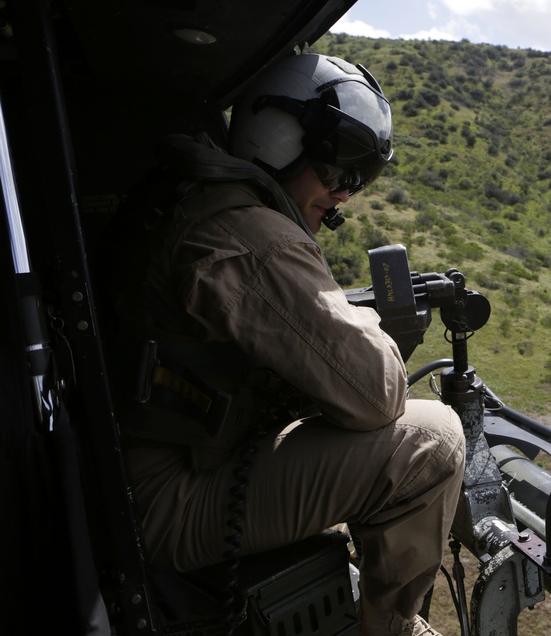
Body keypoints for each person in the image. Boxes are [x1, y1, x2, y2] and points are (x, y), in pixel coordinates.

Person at [107, 53, 464, 636]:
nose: (345, 192)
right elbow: (377, 393)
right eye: (337, 167)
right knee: (432, 443)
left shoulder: (201, 201)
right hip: (166, 504)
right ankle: (392, 628)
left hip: (146, 478)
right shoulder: (252, 235)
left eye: (359, 177)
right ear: (278, 140)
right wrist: (363, 324)